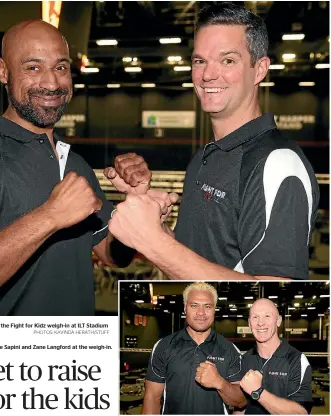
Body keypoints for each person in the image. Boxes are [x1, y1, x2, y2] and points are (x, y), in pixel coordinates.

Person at [0, 20, 171, 316]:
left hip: (74, 357)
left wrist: (135, 206)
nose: (51, 83)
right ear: (3, 71)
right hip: (9, 361)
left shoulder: (74, 163)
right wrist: (49, 217)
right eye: (33, 68)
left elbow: (112, 254)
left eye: (61, 67)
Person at [107, 2, 320, 280]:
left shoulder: (278, 165)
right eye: (200, 61)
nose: (208, 74)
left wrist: (154, 242)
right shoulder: (206, 157)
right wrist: (152, 225)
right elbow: (198, 262)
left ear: (260, 69)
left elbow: (272, 299)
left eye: (228, 60)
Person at [143, 282, 246, 414]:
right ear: (185, 308)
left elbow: (241, 401)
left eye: (207, 306)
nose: (201, 313)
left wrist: (220, 383)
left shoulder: (230, 349)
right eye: (194, 305)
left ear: (214, 309)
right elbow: (152, 397)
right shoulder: (163, 346)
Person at [235, 298, 312, 414]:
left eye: (267, 316)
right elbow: (241, 409)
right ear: (249, 323)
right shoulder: (244, 359)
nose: (260, 323)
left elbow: (300, 413)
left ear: (278, 320)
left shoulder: (296, 360)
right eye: (255, 317)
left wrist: (258, 391)